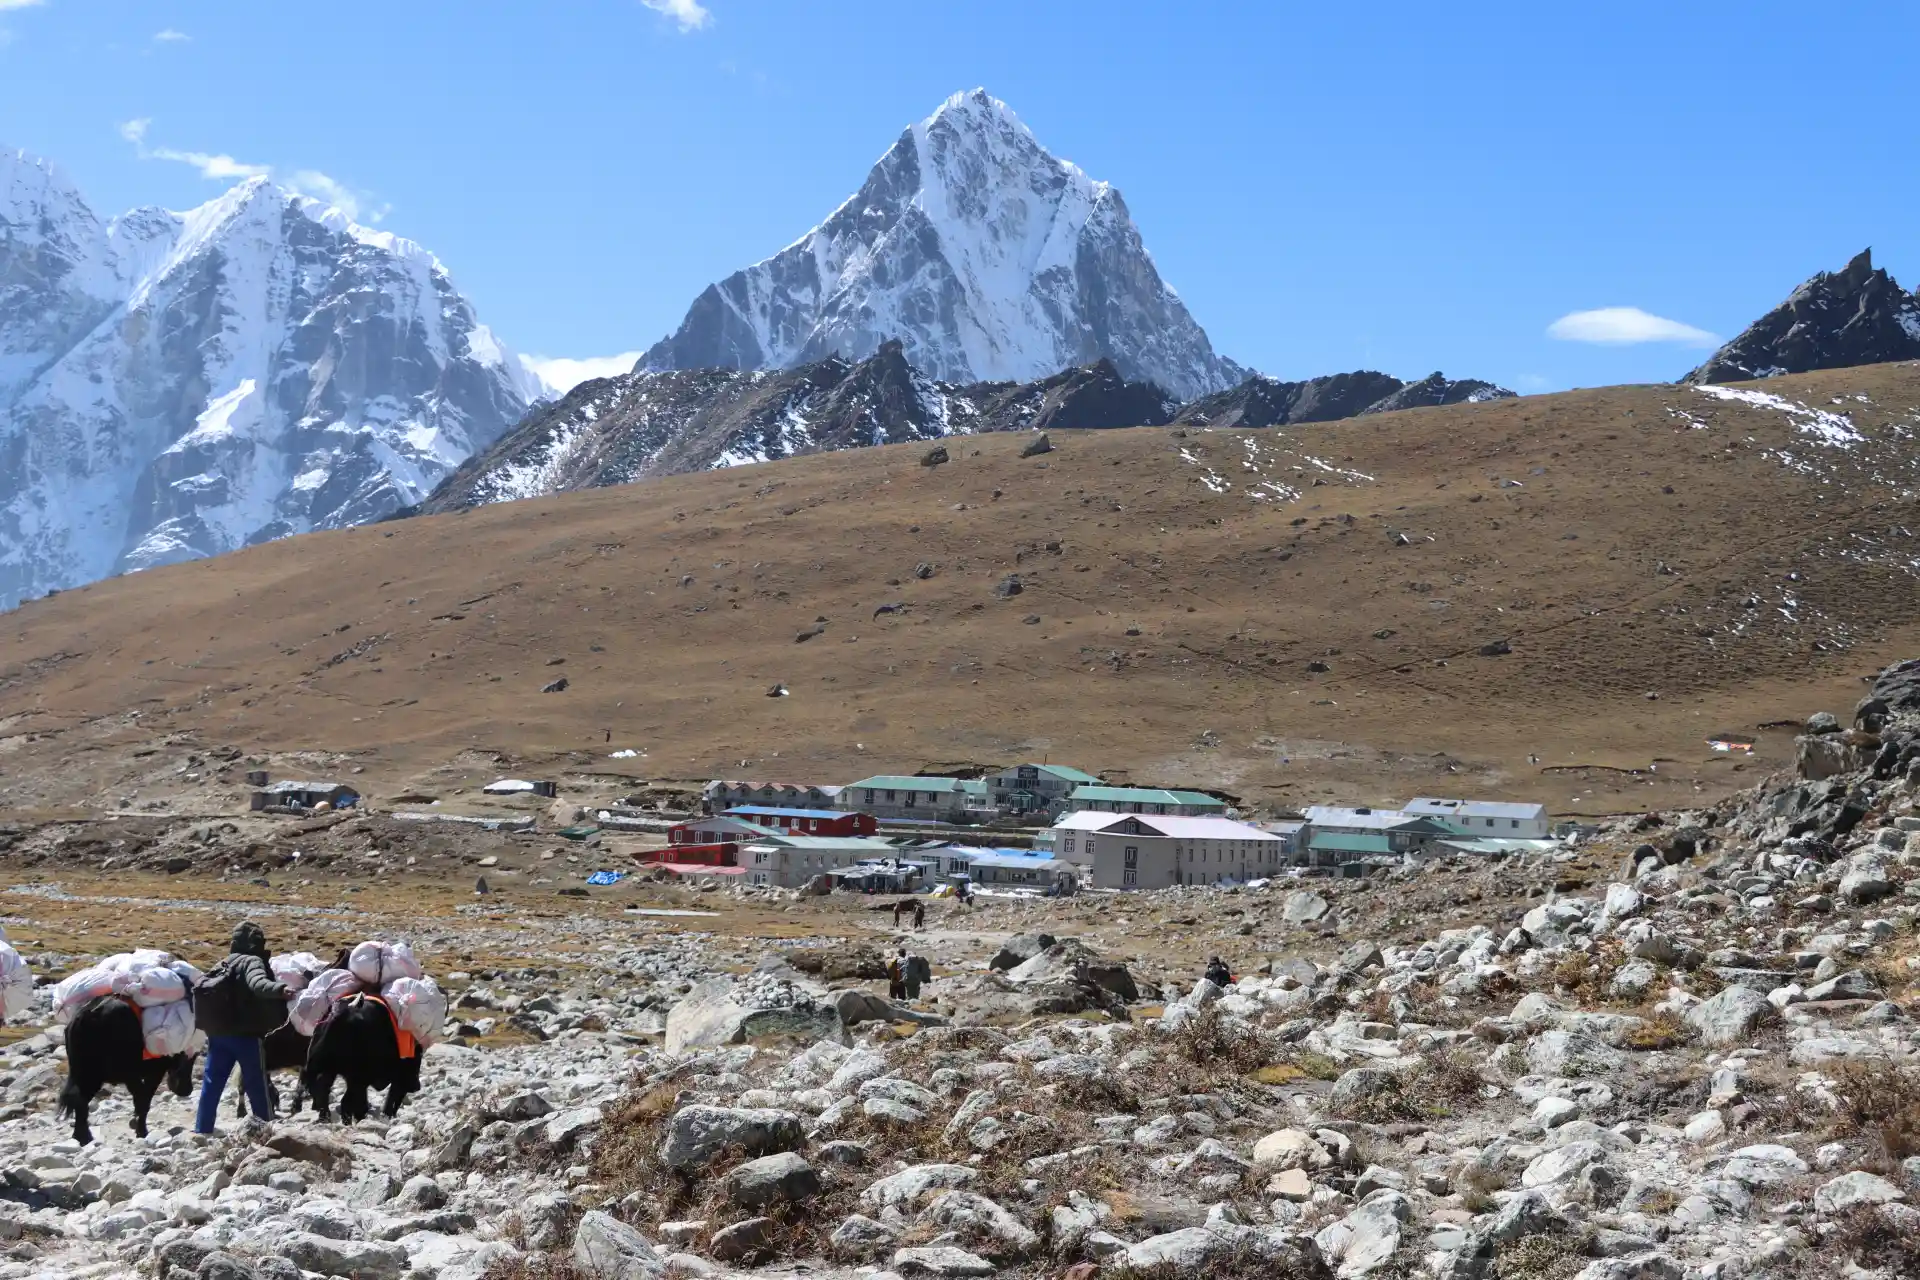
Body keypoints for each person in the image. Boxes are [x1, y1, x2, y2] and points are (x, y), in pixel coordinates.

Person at [193, 922, 291, 1135]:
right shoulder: (253, 961)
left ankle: (202, 1128)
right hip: (246, 1036)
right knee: (256, 1084)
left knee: (212, 1083)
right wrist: (280, 989)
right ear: (256, 943)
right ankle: (265, 1129)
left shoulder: (222, 962)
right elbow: (258, 984)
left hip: (218, 1034)